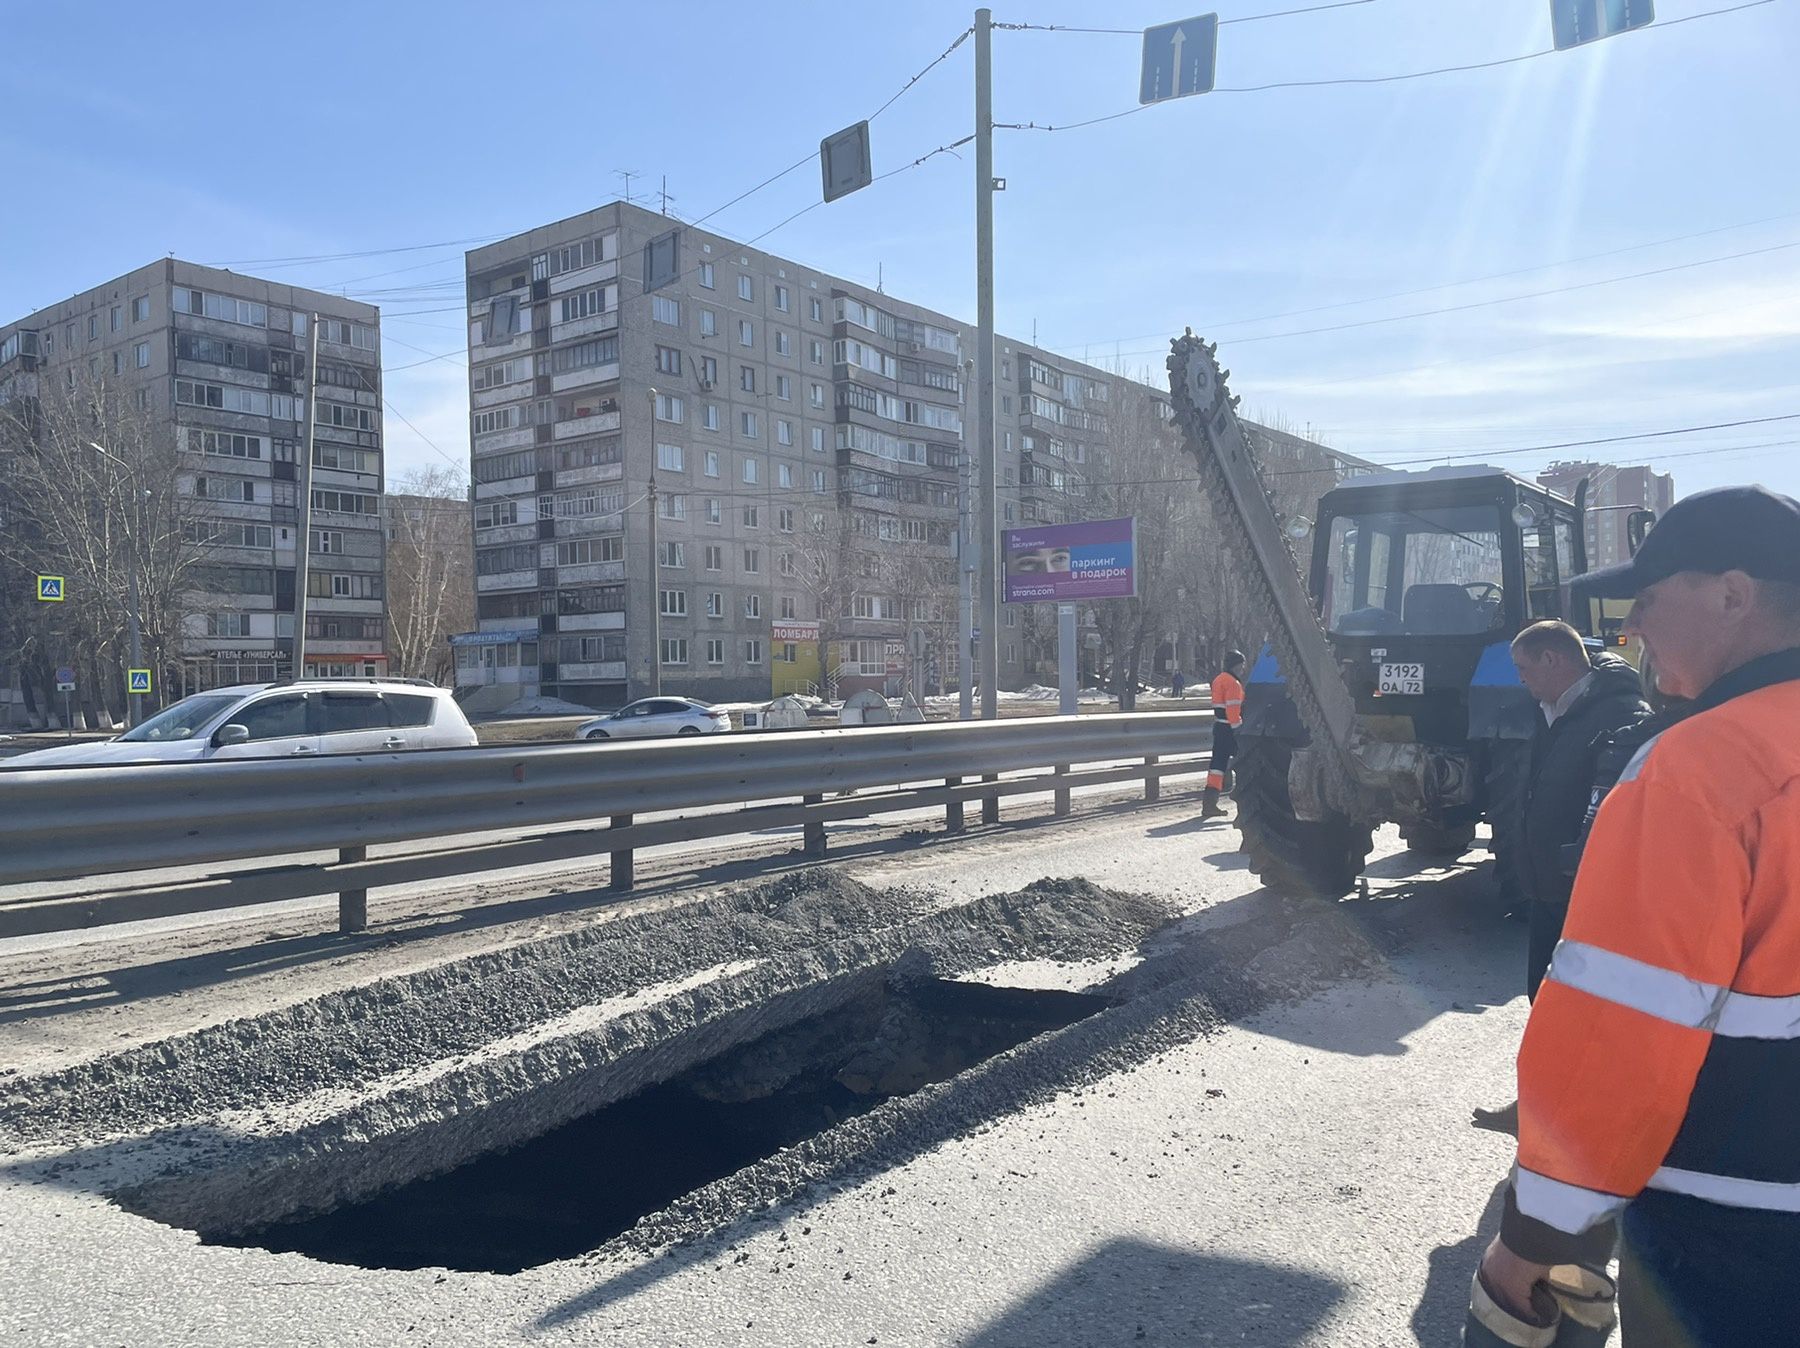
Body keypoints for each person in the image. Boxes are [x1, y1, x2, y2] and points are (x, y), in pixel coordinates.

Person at [1471, 485, 1800, 1345]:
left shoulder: (1700, 771)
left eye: (1648, 600)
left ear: (1733, 595)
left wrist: (1535, 1236)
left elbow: (1618, 1038)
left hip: (1736, 1227)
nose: (1634, 626)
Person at [1470, 621, 1651, 1136]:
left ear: (1554, 661)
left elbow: (1613, 813)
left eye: (1526, 668)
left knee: (1589, 1013)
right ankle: (1540, 1106)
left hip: (1588, 894)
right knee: (1544, 1001)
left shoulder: (1620, 718)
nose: (1520, 680)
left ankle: (1593, 1121)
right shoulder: (1550, 712)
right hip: (1548, 888)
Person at [1200, 650, 1246, 819]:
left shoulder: (1219, 679)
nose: (1243, 668)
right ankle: (1246, 804)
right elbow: (1233, 710)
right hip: (1230, 730)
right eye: (1242, 664)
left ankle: (1209, 803)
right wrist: (1239, 730)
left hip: (1219, 727)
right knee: (1244, 764)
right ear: (1236, 664)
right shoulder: (1233, 683)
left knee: (1217, 766)